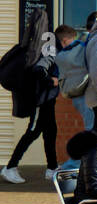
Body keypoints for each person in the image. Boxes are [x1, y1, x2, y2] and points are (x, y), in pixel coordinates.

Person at [3, 12, 71, 184]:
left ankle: (52, 168)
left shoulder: (47, 44)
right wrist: (52, 81)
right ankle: (10, 167)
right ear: (65, 40)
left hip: (47, 100)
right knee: (32, 132)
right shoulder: (52, 47)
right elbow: (39, 70)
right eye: (70, 43)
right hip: (41, 99)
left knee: (50, 131)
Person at [56, 11, 97, 134]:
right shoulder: (83, 45)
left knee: (90, 126)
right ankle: (91, 153)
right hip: (88, 93)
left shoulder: (59, 57)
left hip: (75, 95)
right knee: (95, 129)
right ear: (66, 40)